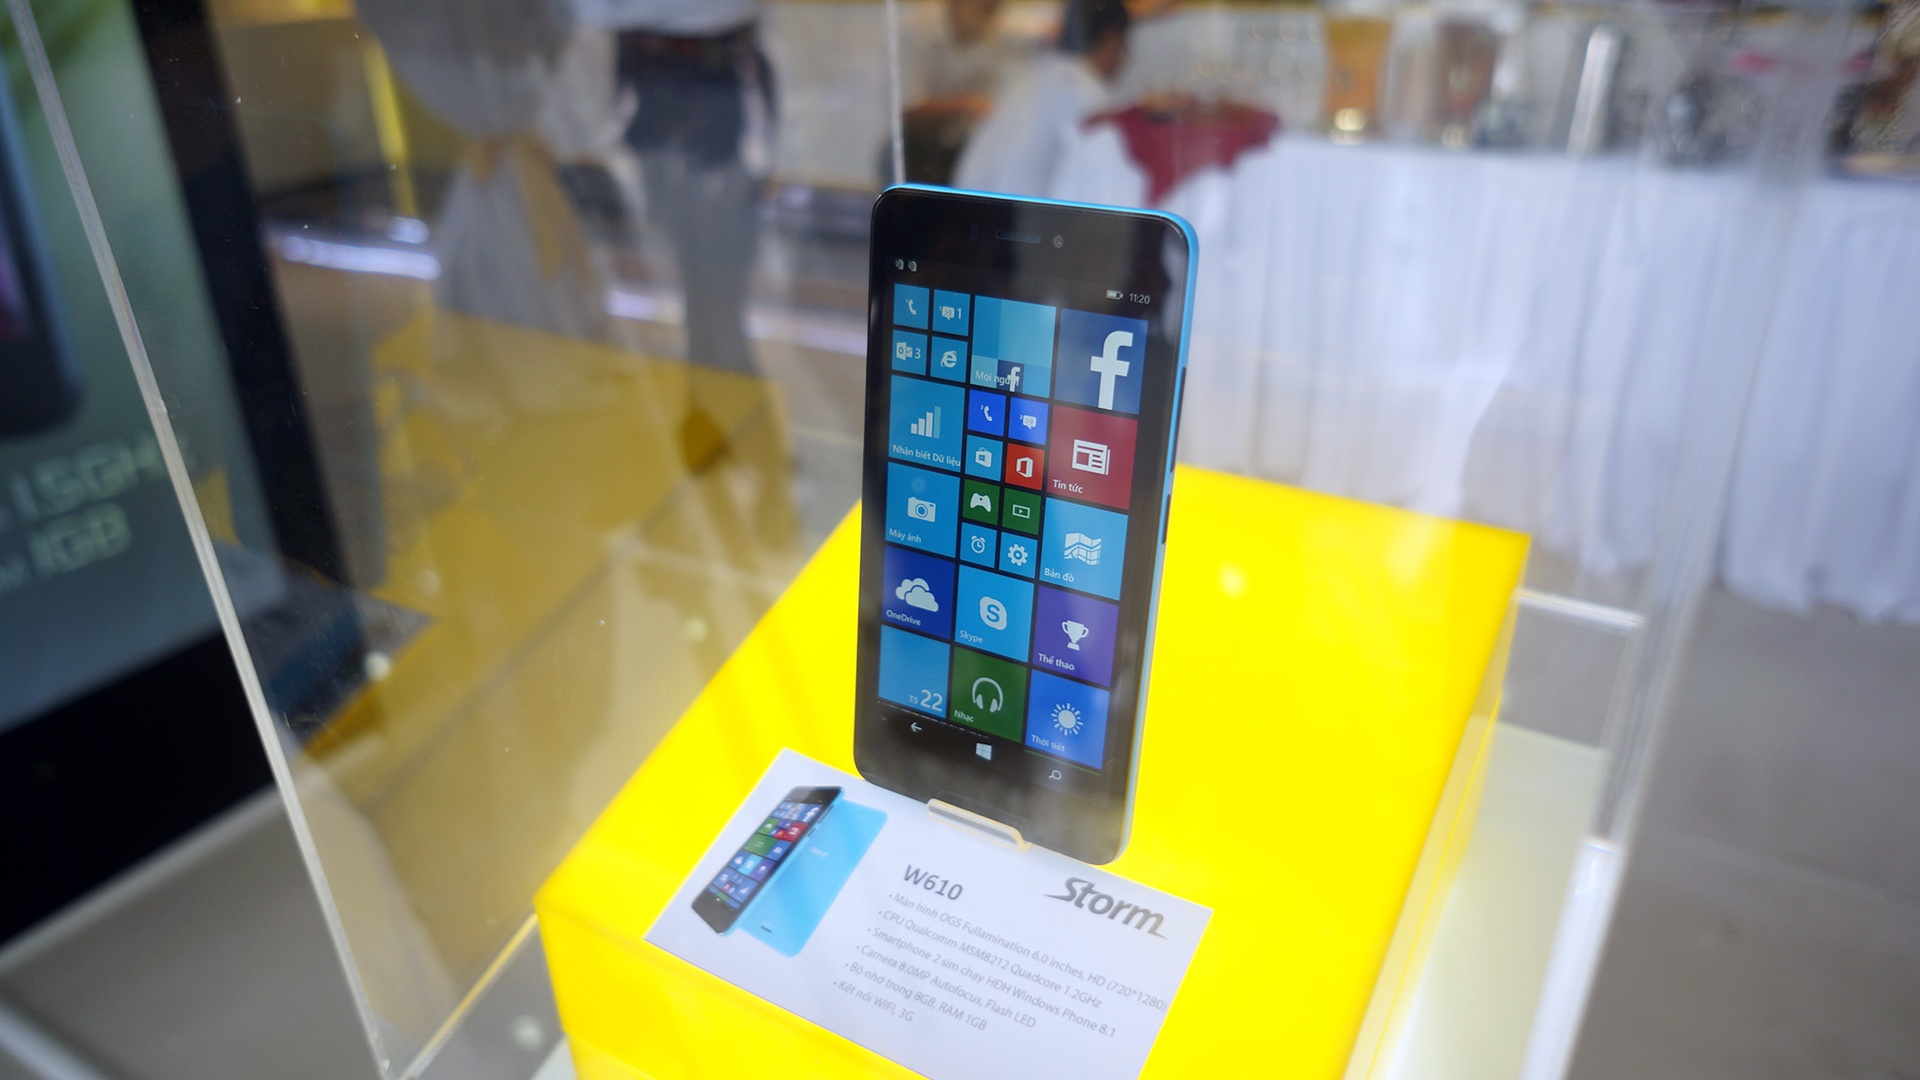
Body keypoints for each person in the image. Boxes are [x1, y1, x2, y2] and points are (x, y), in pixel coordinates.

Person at [576, 0, 774, 468]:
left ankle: (737, 436)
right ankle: (724, 429)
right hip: (671, 122)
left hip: (718, 127)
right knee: (704, 304)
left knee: (715, 308)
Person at [951, 0, 1130, 198]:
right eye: (1126, 45)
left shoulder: (1039, 71)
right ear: (1112, 39)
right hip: (1005, 210)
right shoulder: (1087, 91)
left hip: (968, 201)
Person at [898, 0, 1034, 184]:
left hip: (963, 146)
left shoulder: (999, 35)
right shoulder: (916, 33)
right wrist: (967, 106)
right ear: (957, 4)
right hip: (915, 147)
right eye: (986, 9)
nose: (993, 19)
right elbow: (906, 109)